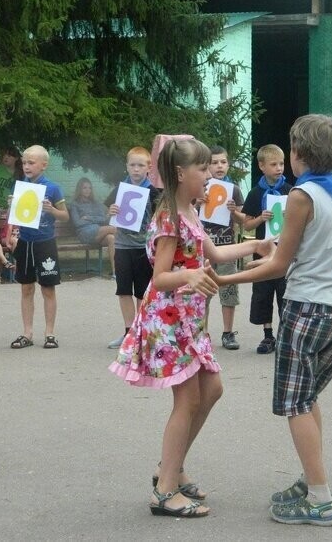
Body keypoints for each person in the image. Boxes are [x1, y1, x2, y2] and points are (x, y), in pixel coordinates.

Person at [109, 138, 275, 518]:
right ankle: (165, 490)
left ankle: (171, 467)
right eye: (202, 169)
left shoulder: (188, 211)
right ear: (181, 174)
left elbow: (214, 255)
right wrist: (191, 273)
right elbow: (161, 277)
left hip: (189, 319)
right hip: (170, 320)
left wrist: (258, 245)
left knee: (210, 390)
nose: (209, 175)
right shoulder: (169, 215)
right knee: (188, 399)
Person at [212, 114, 332, 526]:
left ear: (298, 154)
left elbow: (278, 265)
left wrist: (225, 276)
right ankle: (313, 478)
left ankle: (320, 499)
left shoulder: (301, 195)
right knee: (308, 399)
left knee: (295, 403)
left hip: (307, 307)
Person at [9, 145, 69, 350]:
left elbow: (65, 215)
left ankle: (49, 333)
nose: (26, 166)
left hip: (45, 243)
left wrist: (51, 209)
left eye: (31, 163)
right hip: (25, 242)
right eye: (24, 162)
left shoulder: (52, 188)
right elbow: (15, 216)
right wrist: (11, 211)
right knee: (26, 288)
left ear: (44, 165)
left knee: (48, 288)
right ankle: (27, 333)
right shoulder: (20, 186)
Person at [104, 146, 160, 349]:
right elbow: (109, 215)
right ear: (126, 166)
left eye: (140, 165)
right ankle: (129, 332)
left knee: (142, 293)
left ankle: (142, 331)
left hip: (143, 248)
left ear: (149, 167)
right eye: (132, 165)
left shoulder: (153, 192)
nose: (136, 169)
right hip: (122, 246)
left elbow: (159, 218)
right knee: (124, 290)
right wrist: (111, 210)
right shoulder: (120, 189)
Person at [241, 144, 291, 354]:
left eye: (281, 163)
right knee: (263, 293)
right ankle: (267, 335)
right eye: (273, 164)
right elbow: (247, 225)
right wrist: (261, 218)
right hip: (262, 250)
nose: (279, 168)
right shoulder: (255, 193)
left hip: (285, 249)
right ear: (262, 166)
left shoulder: (290, 190)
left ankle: (285, 336)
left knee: (285, 293)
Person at [202, 145, 245, 350]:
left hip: (227, 248)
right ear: (207, 165)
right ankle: (203, 333)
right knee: (202, 294)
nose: (219, 166)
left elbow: (243, 219)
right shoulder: (200, 187)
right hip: (204, 250)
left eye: (223, 162)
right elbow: (187, 212)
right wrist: (197, 202)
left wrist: (234, 212)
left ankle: (228, 333)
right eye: (215, 162)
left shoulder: (234, 189)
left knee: (229, 291)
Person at [69, 177, 116, 277]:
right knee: (112, 229)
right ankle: (132, 246)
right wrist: (96, 219)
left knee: (111, 238)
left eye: (89, 188)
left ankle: (115, 272)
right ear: (79, 189)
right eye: (84, 188)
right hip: (84, 233)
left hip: (98, 231)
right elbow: (77, 223)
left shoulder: (96, 203)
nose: (87, 190)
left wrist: (88, 218)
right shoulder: (74, 204)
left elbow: (103, 219)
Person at [0, 146, 23, 210]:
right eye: (4, 155)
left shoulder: (21, 172)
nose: (6, 157)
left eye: (9, 156)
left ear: (16, 158)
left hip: (13, 208)